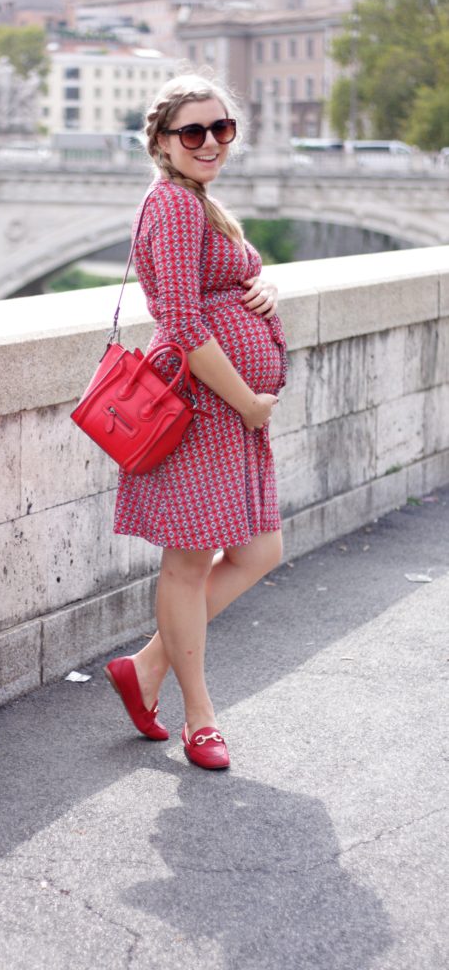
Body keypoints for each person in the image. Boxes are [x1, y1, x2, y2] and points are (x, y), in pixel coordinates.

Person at [105, 73, 288, 770]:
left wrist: (261, 282)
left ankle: (146, 667)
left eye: (221, 129)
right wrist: (244, 399)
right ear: (160, 142)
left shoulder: (198, 202)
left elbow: (220, 280)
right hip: (202, 408)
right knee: (187, 565)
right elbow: (179, 319)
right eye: (192, 132)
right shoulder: (174, 207)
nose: (210, 141)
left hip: (229, 412)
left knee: (258, 551)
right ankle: (200, 719)